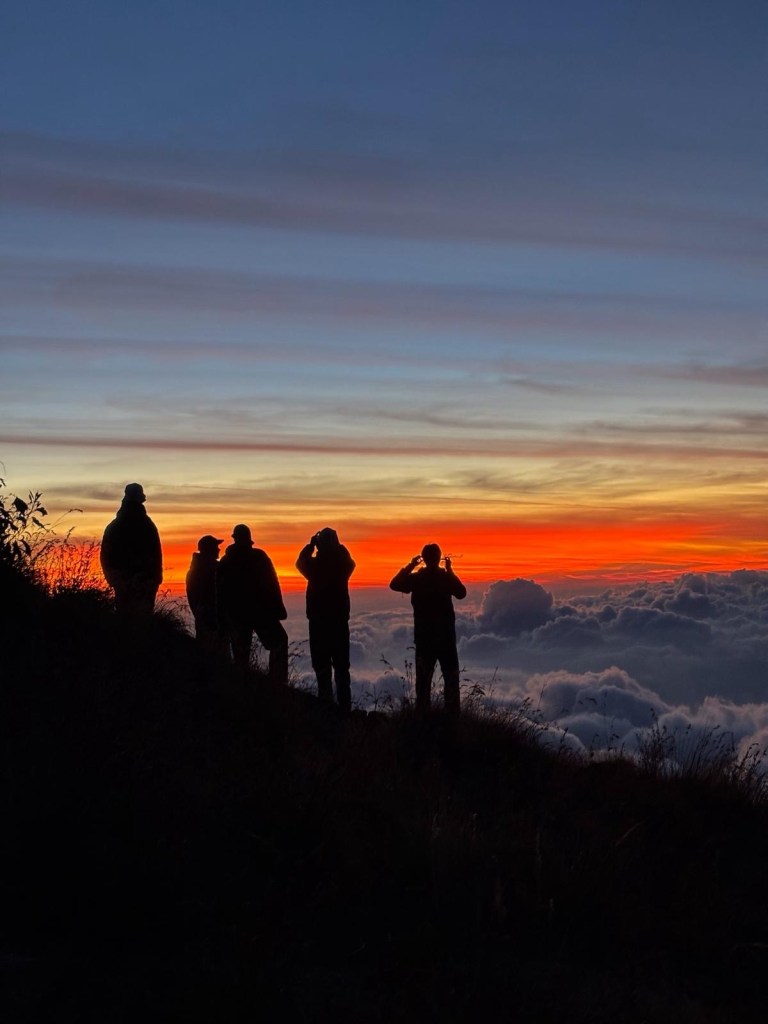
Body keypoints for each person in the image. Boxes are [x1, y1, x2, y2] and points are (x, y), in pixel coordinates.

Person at [389, 543, 467, 717]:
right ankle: (453, 719)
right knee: (451, 679)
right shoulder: (445, 578)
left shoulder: (417, 579)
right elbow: (461, 593)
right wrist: (450, 571)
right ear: (439, 558)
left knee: (423, 682)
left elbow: (394, 584)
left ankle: (422, 717)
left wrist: (411, 565)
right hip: (446, 637)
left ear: (423, 558)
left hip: (424, 637)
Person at [217, 524, 288, 683]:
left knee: (241, 655)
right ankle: (277, 683)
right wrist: (277, 609)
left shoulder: (226, 561)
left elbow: (220, 592)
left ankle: (243, 686)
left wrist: (223, 617)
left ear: (234, 538)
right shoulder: (259, 557)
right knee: (279, 641)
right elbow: (273, 583)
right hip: (260, 613)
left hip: (238, 615)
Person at [296, 527, 356, 713]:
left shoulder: (314, 567)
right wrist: (339, 546)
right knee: (342, 669)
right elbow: (350, 561)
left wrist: (310, 546)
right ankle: (345, 710)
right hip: (339, 624)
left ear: (319, 545)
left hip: (318, 624)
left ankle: (326, 707)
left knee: (322, 667)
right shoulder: (342, 566)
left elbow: (300, 562)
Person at [100, 482, 163, 615]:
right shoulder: (146, 524)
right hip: (141, 581)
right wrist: (154, 578)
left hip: (129, 581)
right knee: (140, 619)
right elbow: (155, 554)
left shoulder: (115, 526)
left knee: (127, 618)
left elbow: (106, 555)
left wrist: (114, 579)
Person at [185, 534, 224, 651]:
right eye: (216, 546)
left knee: (205, 650)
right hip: (212, 619)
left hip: (203, 617)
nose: (219, 549)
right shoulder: (215, 569)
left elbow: (192, 597)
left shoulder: (194, 570)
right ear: (209, 549)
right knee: (216, 652)